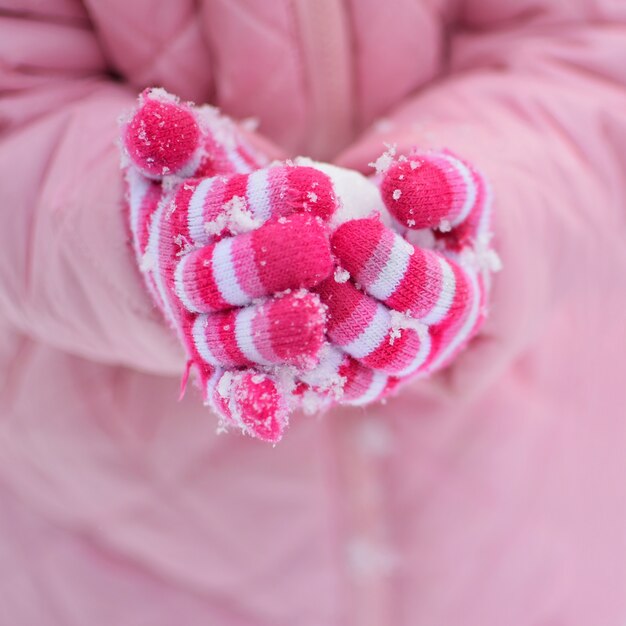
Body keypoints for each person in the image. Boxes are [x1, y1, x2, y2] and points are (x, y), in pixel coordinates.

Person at [1, 1, 626, 624]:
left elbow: (591, 53)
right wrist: (144, 231)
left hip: (515, 492)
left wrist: (489, 218)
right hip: (123, 537)